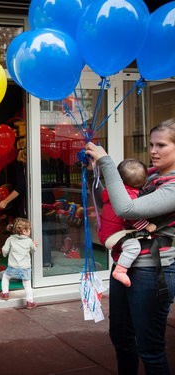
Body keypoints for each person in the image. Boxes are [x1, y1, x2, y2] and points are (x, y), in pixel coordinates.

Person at [85, 118, 175, 375]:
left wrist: (107, 162)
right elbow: (116, 198)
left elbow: (128, 208)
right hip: (125, 267)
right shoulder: (152, 177)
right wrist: (97, 171)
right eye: (151, 145)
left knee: (150, 349)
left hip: (152, 272)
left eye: (161, 145)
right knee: (122, 339)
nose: (153, 151)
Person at [98, 158, 157, 287]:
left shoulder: (114, 191)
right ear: (142, 183)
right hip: (114, 235)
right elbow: (132, 215)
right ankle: (120, 270)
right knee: (133, 247)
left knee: (127, 245)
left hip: (108, 232)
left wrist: (155, 169)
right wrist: (146, 225)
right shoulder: (129, 196)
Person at [0, 218, 38, 309]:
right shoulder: (29, 240)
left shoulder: (11, 239)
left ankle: (5, 293)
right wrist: (34, 245)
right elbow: (33, 250)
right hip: (25, 267)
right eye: (29, 229)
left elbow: (4, 250)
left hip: (13, 266)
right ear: (24, 231)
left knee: (5, 277)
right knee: (27, 284)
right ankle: (30, 302)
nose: (30, 230)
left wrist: (4, 254)